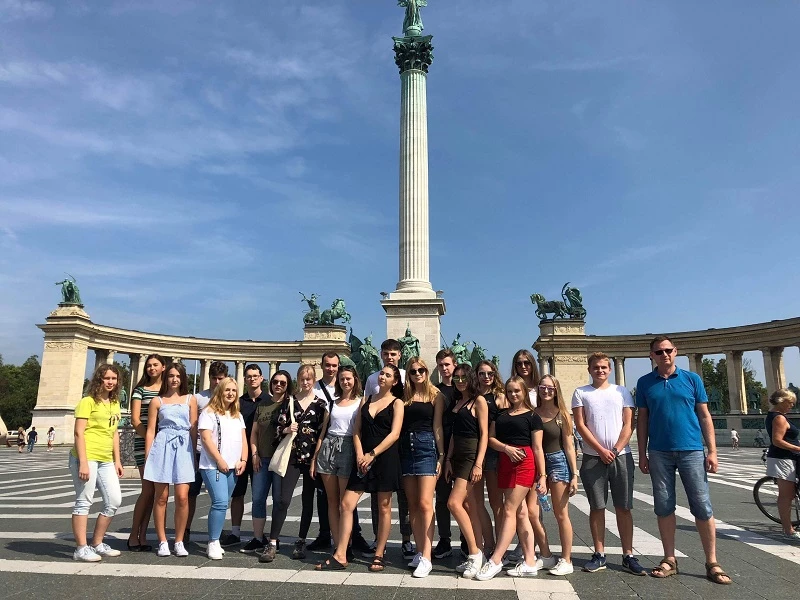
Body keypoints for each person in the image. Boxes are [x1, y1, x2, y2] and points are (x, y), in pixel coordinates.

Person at [637, 336, 731, 585]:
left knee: (702, 505)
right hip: (659, 451)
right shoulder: (644, 382)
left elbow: (704, 415)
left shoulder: (692, 379)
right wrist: (642, 453)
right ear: (652, 355)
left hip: (692, 449)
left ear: (675, 351)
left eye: (668, 350)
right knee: (663, 505)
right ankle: (669, 558)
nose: (664, 354)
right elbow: (642, 419)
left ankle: (712, 561)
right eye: (659, 352)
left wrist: (712, 450)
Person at [316, 364, 404, 572]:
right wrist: (359, 454)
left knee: (384, 506)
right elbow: (357, 430)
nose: (382, 377)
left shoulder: (397, 402)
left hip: (384, 458)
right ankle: (341, 554)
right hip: (363, 458)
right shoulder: (367, 399)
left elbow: (395, 434)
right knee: (346, 504)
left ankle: (379, 553)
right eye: (382, 373)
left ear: (395, 381)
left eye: (388, 375)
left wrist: (372, 454)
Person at [572, 352, 644, 575]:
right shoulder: (580, 392)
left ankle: (628, 555)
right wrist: (601, 450)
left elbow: (628, 424)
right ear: (589, 369)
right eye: (596, 367)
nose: (600, 371)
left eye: (604, 367)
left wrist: (614, 450)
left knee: (624, 507)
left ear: (610, 369)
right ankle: (599, 553)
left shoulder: (622, 391)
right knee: (597, 506)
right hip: (593, 456)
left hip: (621, 455)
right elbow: (580, 425)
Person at [476, 377, 545, 581]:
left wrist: (542, 475)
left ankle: (496, 559)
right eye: (510, 391)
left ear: (524, 391)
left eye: (517, 391)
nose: (513, 394)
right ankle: (530, 561)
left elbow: (538, 448)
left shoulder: (533, 416)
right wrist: (506, 448)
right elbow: (491, 439)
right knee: (521, 513)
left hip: (525, 462)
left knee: (509, 509)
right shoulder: (501, 415)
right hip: (505, 462)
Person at [262, 364, 327, 562]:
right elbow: (276, 426)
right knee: (283, 500)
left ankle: (301, 540)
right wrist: (286, 429)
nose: (305, 382)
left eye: (309, 379)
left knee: (308, 500)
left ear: (314, 380)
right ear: (297, 380)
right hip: (291, 455)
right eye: (302, 379)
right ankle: (273, 541)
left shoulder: (320, 404)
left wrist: (316, 458)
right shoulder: (289, 401)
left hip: (311, 457)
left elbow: (322, 433)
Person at [308, 353, 370, 555]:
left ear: (355, 380)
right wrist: (315, 458)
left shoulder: (361, 402)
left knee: (345, 503)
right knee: (331, 501)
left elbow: (359, 431)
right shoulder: (332, 403)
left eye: (348, 379)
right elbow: (323, 432)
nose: (345, 382)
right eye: (342, 379)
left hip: (347, 447)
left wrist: (360, 454)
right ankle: (338, 545)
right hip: (328, 447)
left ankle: (347, 544)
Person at [363, 339, 414, 559]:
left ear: (400, 355)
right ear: (381, 354)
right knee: (378, 495)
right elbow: (366, 405)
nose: (390, 357)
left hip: (402, 439)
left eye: (393, 354)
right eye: (386, 353)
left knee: (404, 495)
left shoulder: (407, 375)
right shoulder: (372, 378)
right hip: (379, 443)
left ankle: (406, 539)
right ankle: (378, 537)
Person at [70, 364, 124, 562]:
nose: (110, 382)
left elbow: (114, 432)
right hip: (87, 456)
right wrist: (83, 462)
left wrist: (117, 460)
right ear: (99, 379)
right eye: (106, 378)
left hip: (106, 459)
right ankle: (80, 548)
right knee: (84, 501)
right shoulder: (87, 401)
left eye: (114, 378)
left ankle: (97, 543)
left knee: (114, 501)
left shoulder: (114, 402)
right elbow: (78, 432)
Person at [144, 362, 198, 557]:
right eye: (171, 375)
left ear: (183, 378)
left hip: (184, 447)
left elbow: (193, 429)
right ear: (165, 378)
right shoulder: (157, 401)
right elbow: (151, 430)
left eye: (178, 376)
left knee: (183, 497)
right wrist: (149, 455)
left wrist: (194, 455)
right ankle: (162, 541)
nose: (174, 379)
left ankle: (179, 540)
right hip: (162, 445)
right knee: (161, 497)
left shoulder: (190, 399)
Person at [401, 357, 445, 578]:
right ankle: (420, 551)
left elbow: (437, 426)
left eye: (421, 370)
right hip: (406, 448)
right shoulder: (404, 395)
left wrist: (441, 455)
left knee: (426, 503)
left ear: (427, 372)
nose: (418, 374)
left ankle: (427, 556)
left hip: (427, 446)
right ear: (408, 374)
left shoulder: (436, 395)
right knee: (413, 505)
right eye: (413, 371)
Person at [444, 363, 489, 579]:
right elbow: (454, 433)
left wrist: (479, 463)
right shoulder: (457, 401)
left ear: (470, 378)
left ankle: (474, 553)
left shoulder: (478, 401)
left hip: (471, 456)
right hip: (458, 456)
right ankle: (479, 552)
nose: (460, 381)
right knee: (470, 507)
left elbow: (484, 434)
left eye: (463, 377)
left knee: (454, 503)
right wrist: (448, 459)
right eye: (457, 377)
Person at [532, 374, 577, 576]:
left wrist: (574, 474)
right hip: (536, 464)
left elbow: (569, 446)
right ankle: (546, 554)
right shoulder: (533, 413)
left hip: (558, 462)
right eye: (543, 387)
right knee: (533, 513)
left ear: (556, 390)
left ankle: (566, 559)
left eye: (550, 387)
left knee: (561, 514)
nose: (546, 390)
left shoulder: (563, 414)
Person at [199, 377, 247, 560]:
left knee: (223, 503)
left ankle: (216, 539)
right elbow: (206, 439)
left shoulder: (237, 415)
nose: (231, 393)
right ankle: (213, 541)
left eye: (234, 390)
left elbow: (243, 439)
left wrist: (243, 459)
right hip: (213, 465)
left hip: (234, 466)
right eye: (227, 390)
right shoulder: (208, 412)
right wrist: (219, 460)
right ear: (220, 391)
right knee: (219, 502)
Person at [221, 364, 265, 547]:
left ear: (261, 378)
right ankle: (235, 532)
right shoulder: (237, 402)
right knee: (237, 494)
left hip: (261, 454)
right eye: (249, 376)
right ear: (245, 379)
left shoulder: (269, 400)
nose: (252, 379)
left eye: (255, 376)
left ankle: (259, 535)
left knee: (259, 496)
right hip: (239, 455)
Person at [249, 370, 291, 560]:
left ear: (288, 385)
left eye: (283, 382)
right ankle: (258, 537)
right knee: (258, 498)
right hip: (262, 457)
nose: (278, 385)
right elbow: (254, 433)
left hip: (281, 458)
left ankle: (274, 538)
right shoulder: (262, 405)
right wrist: (254, 454)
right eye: (275, 382)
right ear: (271, 383)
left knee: (278, 499)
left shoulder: (290, 404)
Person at [186, 361, 229, 543]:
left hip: (220, 454)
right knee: (191, 493)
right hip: (198, 451)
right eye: (214, 378)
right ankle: (186, 528)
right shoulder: (198, 398)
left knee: (220, 496)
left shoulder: (229, 397)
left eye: (221, 378)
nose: (217, 382)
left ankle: (219, 530)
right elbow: (192, 426)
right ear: (209, 378)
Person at [128, 353, 166, 551]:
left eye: (155, 365)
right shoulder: (140, 390)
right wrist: (152, 439)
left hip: (163, 445)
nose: (152, 368)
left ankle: (143, 535)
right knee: (147, 490)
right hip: (144, 443)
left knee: (155, 492)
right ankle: (133, 534)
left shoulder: (168, 390)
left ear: (163, 367)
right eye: (149, 365)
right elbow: (135, 420)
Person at [476, 359, 508, 553]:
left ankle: (500, 549)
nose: (486, 377)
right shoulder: (473, 394)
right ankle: (489, 544)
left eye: (490, 373)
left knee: (497, 504)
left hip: (494, 453)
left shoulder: (500, 396)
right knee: (476, 503)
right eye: (482, 373)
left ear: (495, 374)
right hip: (475, 451)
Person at [764, 388, 800, 539]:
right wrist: (798, 448)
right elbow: (777, 441)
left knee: (789, 494)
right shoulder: (778, 418)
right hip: (783, 458)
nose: (792, 405)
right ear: (781, 401)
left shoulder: (777, 415)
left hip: (787, 457)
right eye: (790, 402)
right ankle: (788, 530)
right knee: (786, 495)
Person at [434, 348, 457, 559]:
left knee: (464, 499)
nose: (444, 368)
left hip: (462, 450)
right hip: (442, 448)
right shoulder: (435, 391)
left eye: (447, 364)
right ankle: (444, 539)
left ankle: (467, 540)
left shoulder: (464, 389)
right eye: (441, 365)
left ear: (454, 365)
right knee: (441, 497)